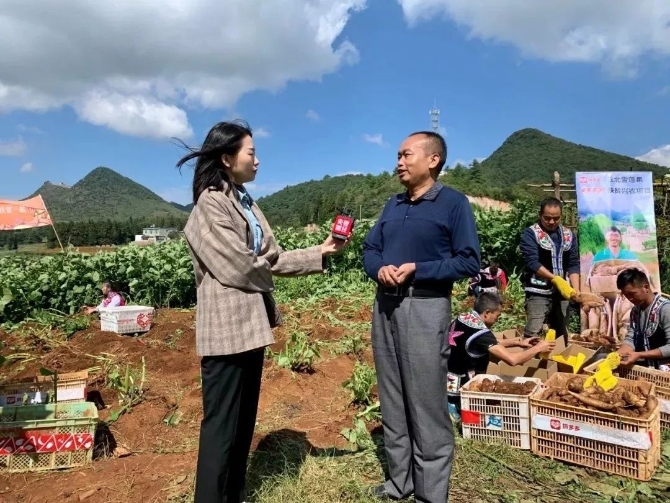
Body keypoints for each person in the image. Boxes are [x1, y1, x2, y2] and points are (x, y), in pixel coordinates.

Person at [177, 120, 348, 503]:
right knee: (221, 427)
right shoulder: (210, 203)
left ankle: (234, 495)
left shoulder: (244, 201)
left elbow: (270, 257)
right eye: (251, 153)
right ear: (226, 158)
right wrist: (267, 268)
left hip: (251, 326)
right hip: (225, 330)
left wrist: (320, 252)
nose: (257, 161)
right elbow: (238, 267)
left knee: (242, 423)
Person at [362, 130, 480, 503]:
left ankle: (430, 493)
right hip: (385, 306)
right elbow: (370, 249)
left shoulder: (453, 204)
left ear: (432, 160)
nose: (399, 162)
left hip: (425, 306)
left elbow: (468, 261)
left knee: (426, 402)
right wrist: (378, 268)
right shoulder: (393, 204)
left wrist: (418, 269)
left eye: (406, 154)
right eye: (398, 155)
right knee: (393, 397)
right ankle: (401, 483)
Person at [447, 292, 556, 405]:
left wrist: (518, 342)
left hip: (447, 376)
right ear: (487, 313)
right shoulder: (481, 333)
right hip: (461, 388)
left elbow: (486, 342)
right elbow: (512, 360)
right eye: (497, 316)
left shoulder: (464, 317)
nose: (498, 319)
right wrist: (538, 348)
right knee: (460, 411)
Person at [520, 197, 580, 340]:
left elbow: (573, 264)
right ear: (540, 215)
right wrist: (555, 279)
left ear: (561, 216)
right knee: (534, 331)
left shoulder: (569, 235)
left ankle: (558, 354)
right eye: (547, 218)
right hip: (538, 290)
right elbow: (533, 263)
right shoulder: (530, 233)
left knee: (562, 333)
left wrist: (575, 289)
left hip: (562, 293)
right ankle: (531, 353)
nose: (552, 222)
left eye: (556, 218)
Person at [616, 268, 670, 371]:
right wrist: (618, 354)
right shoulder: (635, 311)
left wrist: (640, 355)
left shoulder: (666, 309)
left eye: (632, 294)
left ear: (646, 287)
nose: (629, 299)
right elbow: (631, 338)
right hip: (648, 371)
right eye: (626, 295)